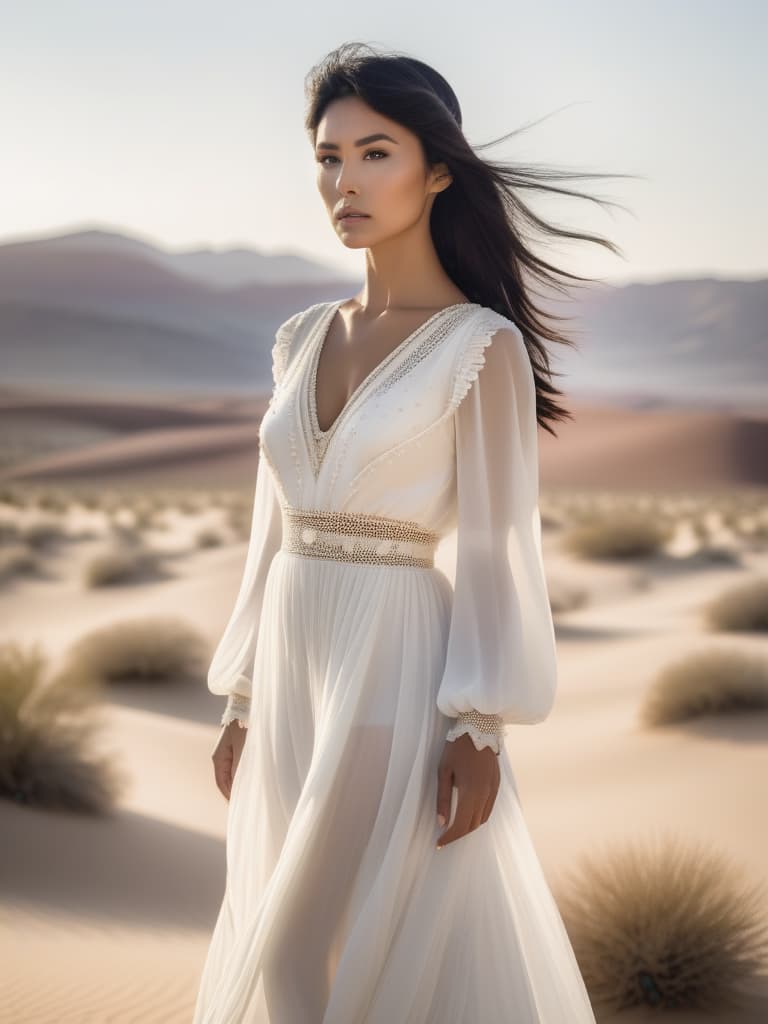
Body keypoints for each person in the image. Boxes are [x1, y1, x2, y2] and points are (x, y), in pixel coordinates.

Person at [193, 41, 627, 1024]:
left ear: (437, 170)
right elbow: (274, 528)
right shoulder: (301, 336)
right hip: (295, 656)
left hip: (393, 657)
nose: (343, 181)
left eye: (374, 153)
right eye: (327, 156)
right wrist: (245, 689)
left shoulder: (482, 345)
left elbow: (497, 547)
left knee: (308, 935)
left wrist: (481, 719)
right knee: (282, 921)